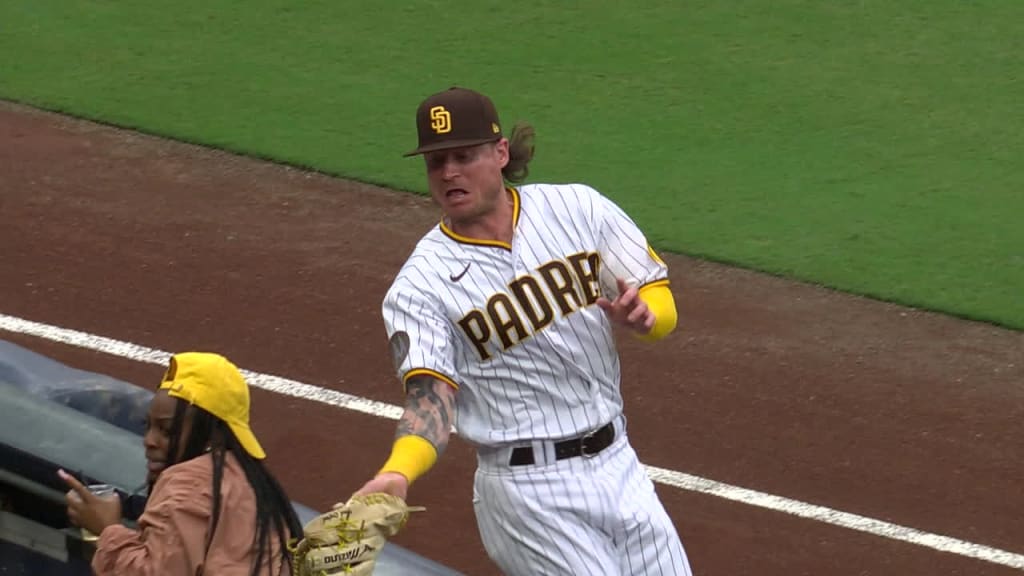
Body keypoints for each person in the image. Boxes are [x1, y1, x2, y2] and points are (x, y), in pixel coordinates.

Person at [355, 86, 694, 575]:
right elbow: (430, 398)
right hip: (528, 495)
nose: (449, 172)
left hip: (620, 464)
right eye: (436, 162)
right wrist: (397, 470)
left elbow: (656, 292)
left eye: (463, 156)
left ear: (500, 153)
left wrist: (648, 317)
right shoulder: (419, 286)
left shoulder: (578, 208)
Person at [60, 352, 302, 576]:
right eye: (148, 426)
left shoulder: (188, 483)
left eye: (167, 430)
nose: (149, 441)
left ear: (211, 436)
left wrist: (107, 529)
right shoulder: (253, 483)